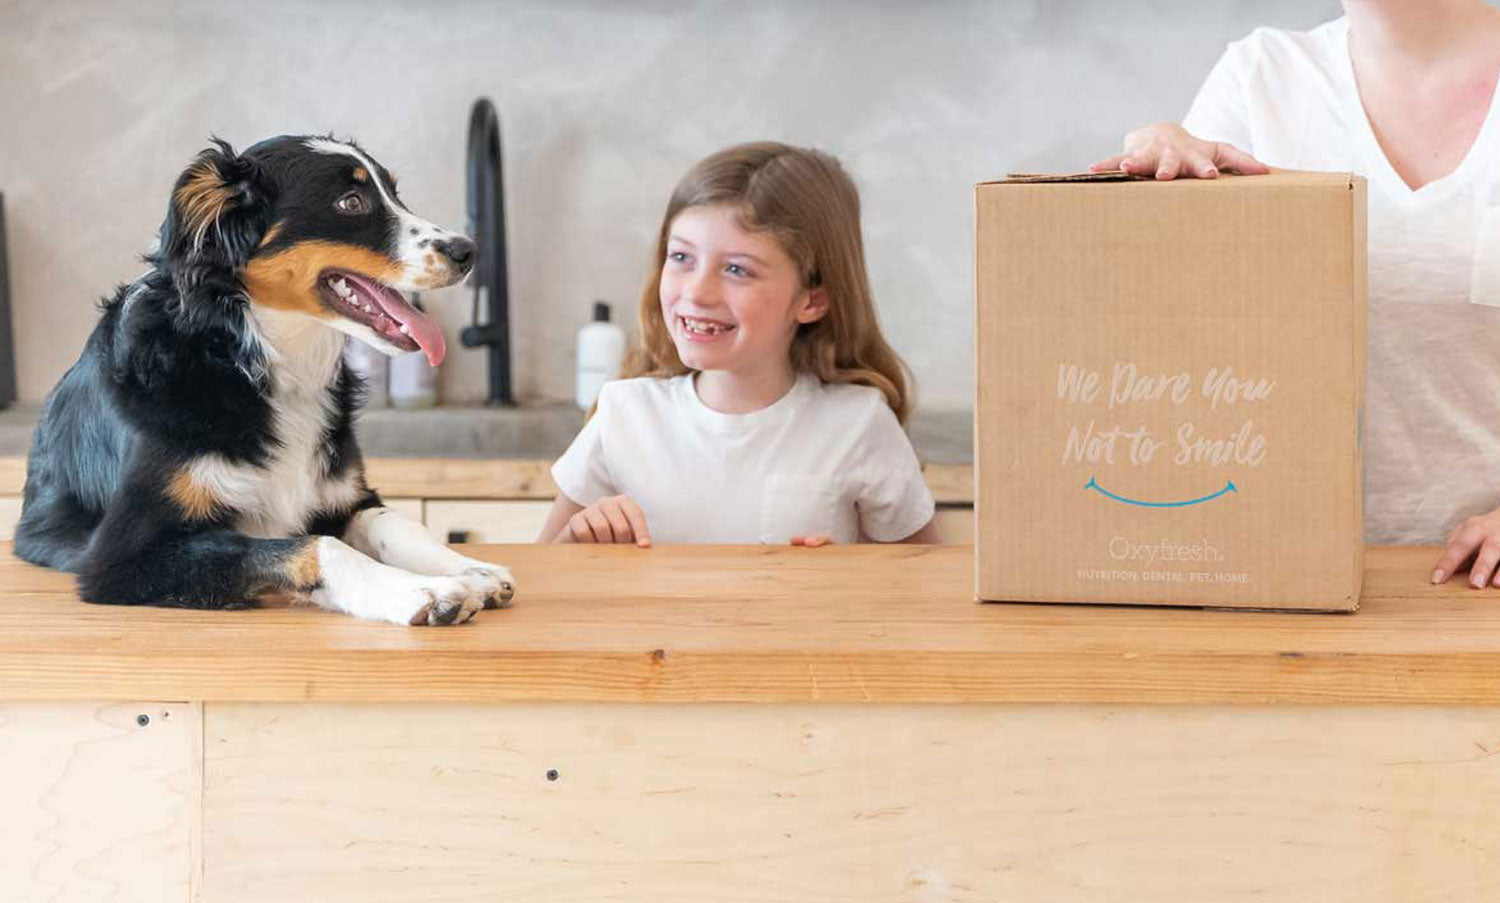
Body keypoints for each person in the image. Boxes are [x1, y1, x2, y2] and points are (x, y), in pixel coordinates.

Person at [1092, 0, 1500, 588]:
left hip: (1482, 582)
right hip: (1273, 566)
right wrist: (1156, 178)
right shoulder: (1262, 75)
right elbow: (1171, 333)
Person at [538, 142, 939, 547]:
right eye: (681, 257)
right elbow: (534, 583)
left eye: (736, 269)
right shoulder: (623, 413)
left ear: (812, 299)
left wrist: (845, 578)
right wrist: (576, 540)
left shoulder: (859, 424)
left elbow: (925, 588)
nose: (698, 293)